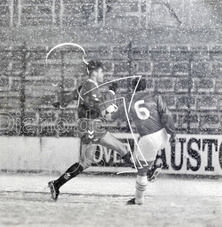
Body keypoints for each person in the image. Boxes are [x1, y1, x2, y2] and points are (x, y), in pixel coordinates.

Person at [48, 60, 132, 201]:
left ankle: (143, 174)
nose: (103, 75)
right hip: (89, 125)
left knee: (121, 147)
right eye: (101, 72)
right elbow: (96, 105)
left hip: (93, 125)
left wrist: (62, 103)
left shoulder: (86, 86)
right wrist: (111, 93)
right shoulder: (89, 85)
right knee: (85, 162)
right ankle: (56, 184)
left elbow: (73, 95)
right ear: (94, 73)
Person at [111, 77, 176, 205]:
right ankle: (153, 168)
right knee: (137, 158)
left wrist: (112, 111)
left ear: (132, 87)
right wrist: (172, 133)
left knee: (141, 170)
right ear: (145, 87)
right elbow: (166, 115)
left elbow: (115, 116)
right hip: (163, 134)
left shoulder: (129, 100)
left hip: (148, 138)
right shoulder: (155, 95)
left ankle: (139, 199)